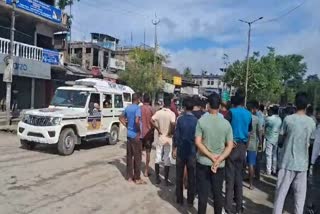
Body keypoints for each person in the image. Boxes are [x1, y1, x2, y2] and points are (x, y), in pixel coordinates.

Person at [273, 92, 316, 214]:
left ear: (295, 104)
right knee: (300, 198)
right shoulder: (311, 122)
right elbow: (311, 142)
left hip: (287, 163)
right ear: (307, 105)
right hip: (302, 165)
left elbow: (280, 140)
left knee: (280, 195)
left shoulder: (288, 119)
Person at [195, 92, 234, 214]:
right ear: (219, 106)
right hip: (219, 164)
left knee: (203, 194)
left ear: (208, 105)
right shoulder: (226, 124)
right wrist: (218, 159)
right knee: (217, 194)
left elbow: (198, 142)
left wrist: (210, 156)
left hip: (203, 162)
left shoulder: (201, 121)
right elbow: (230, 145)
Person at [225, 92, 252, 214]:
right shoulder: (248, 114)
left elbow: (225, 128)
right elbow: (249, 132)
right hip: (242, 148)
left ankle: (228, 207)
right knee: (239, 178)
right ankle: (239, 207)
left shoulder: (231, 112)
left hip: (232, 145)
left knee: (230, 179)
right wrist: (246, 146)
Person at [172, 96, 197, 206]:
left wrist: (174, 148)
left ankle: (179, 198)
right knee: (192, 177)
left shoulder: (180, 119)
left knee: (179, 176)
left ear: (184, 107)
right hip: (192, 152)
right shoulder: (197, 121)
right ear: (193, 107)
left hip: (181, 152)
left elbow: (176, 136)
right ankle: (190, 200)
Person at [119, 93, 146, 185]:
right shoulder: (137, 108)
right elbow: (137, 121)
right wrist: (138, 131)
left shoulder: (128, 108)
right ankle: (137, 178)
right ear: (137, 99)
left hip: (129, 135)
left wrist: (127, 126)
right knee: (138, 157)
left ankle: (129, 176)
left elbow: (121, 117)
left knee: (129, 156)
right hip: (136, 136)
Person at [151, 97, 176, 185]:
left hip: (160, 137)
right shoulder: (172, 114)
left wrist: (157, 129)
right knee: (167, 159)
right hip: (168, 139)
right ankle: (166, 180)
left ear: (164, 103)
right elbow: (173, 124)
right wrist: (170, 132)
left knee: (157, 158)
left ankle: (157, 178)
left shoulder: (158, 112)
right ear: (170, 104)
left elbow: (152, 120)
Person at [246, 101, 262, 190]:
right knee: (251, 164)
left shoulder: (245, 117)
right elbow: (259, 132)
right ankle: (251, 184)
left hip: (243, 142)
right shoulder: (256, 119)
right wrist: (260, 142)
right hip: (252, 144)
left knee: (245, 163)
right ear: (253, 109)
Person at [265, 105, 282, 176]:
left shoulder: (268, 119)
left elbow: (264, 127)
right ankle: (274, 170)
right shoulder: (280, 119)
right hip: (276, 139)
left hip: (269, 138)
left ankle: (268, 170)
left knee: (269, 155)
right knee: (275, 155)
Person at [140, 94, 154, 177]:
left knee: (139, 152)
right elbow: (154, 121)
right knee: (148, 152)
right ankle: (146, 171)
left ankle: (137, 170)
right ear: (149, 100)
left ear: (143, 100)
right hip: (149, 133)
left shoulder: (140, 108)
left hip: (140, 133)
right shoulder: (152, 109)